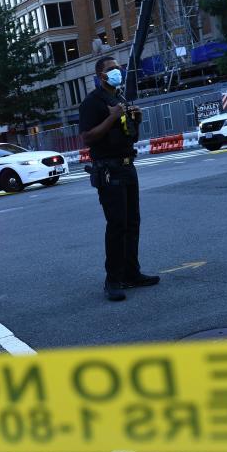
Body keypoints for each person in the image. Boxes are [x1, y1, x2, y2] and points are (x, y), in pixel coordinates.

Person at [79, 56, 159, 302]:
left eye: (118, 68)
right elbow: (87, 138)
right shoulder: (92, 102)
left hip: (127, 166)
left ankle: (131, 273)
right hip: (108, 170)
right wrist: (112, 117)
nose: (117, 72)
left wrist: (137, 121)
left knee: (132, 222)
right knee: (116, 226)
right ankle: (112, 280)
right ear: (101, 75)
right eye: (111, 69)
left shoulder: (120, 99)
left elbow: (130, 137)